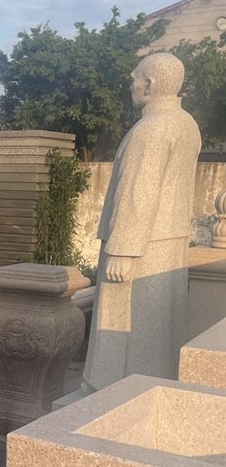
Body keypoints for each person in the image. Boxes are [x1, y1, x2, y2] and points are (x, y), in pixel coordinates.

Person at [84, 52, 201, 391]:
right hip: (169, 240)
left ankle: (110, 391)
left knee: (124, 327)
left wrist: (122, 250)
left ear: (148, 84)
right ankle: (150, 386)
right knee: (159, 327)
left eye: (134, 79)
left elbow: (137, 193)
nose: (131, 86)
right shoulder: (187, 124)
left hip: (140, 245)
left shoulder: (149, 130)